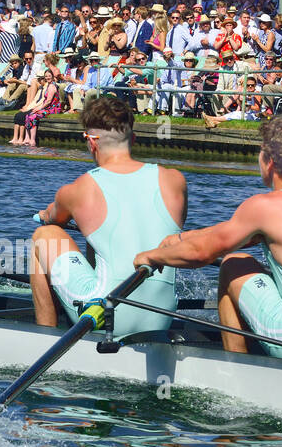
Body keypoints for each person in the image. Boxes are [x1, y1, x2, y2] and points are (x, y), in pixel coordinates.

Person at [134, 114, 282, 364]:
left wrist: (151, 256)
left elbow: (202, 254)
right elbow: (232, 233)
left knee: (234, 264)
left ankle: (238, 370)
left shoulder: (265, 206)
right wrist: (182, 238)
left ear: (269, 160)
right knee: (251, 262)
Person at [29, 95, 187, 337]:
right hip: (162, 315)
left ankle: (43, 336)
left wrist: (47, 214)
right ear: (132, 139)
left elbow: (54, 219)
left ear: (92, 143)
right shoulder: (175, 180)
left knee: (44, 235)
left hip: (109, 314)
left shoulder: (76, 190)